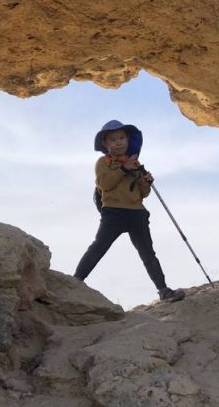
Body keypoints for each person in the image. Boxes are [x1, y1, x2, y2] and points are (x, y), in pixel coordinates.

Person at [74, 120, 185, 303]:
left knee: (148, 253)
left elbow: (143, 193)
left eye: (122, 138)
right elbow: (105, 184)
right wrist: (124, 169)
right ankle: (76, 280)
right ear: (105, 144)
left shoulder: (135, 163)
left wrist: (145, 181)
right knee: (99, 247)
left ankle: (163, 290)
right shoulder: (103, 162)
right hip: (113, 212)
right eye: (113, 139)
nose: (118, 142)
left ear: (128, 140)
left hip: (136, 212)